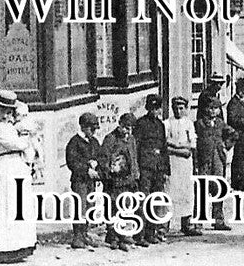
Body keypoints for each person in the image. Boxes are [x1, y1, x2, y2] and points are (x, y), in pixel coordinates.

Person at [0, 89, 35, 264]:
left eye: (10, 112)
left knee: (19, 207)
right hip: (6, 167)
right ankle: (4, 249)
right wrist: (24, 138)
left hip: (18, 166)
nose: (7, 115)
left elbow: (27, 144)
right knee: (5, 207)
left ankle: (21, 245)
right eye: (3, 111)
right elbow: (19, 143)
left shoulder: (10, 126)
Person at [102, 113, 142, 250]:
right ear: (119, 125)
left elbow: (134, 157)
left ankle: (124, 234)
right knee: (113, 208)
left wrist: (136, 174)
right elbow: (104, 159)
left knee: (126, 207)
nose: (128, 131)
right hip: (114, 180)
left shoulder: (131, 139)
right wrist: (110, 172)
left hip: (128, 179)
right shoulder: (110, 138)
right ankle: (113, 236)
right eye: (125, 128)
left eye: (131, 128)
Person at [65, 112, 102, 251]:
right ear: (83, 127)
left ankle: (85, 232)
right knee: (79, 206)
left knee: (89, 206)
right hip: (79, 180)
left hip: (90, 181)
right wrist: (87, 169)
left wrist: (96, 163)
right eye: (91, 129)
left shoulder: (94, 142)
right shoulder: (74, 142)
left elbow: (100, 155)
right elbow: (72, 162)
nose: (93, 132)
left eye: (94, 129)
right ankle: (77, 236)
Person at [135, 94, 170, 244]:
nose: (155, 111)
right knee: (143, 199)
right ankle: (140, 234)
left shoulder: (160, 125)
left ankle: (151, 232)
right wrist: (136, 168)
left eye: (157, 109)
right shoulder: (141, 124)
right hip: (145, 167)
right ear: (147, 108)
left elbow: (163, 147)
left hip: (158, 167)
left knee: (155, 199)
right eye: (152, 108)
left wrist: (166, 169)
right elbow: (136, 146)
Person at [165, 97, 201, 236]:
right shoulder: (167, 123)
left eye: (181, 108)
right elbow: (165, 143)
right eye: (176, 108)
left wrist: (175, 145)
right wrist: (179, 148)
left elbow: (191, 146)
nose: (178, 111)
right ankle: (165, 225)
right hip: (172, 163)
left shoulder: (189, 124)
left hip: (185, 165)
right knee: (170, 191)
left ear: (186, 109)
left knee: (186, 192)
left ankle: (186, 224)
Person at [194, 100, 231, 230]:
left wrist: (225, 146)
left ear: (220, 110)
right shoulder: (199, 124)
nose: (212, 111)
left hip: (218, 159)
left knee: (218, 188)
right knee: (201, 188)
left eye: (216, 108)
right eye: (210, 108)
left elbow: (233, 134)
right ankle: (198, 219)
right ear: (205, 109)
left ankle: (218, 220)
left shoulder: (221, 124)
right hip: (204, 159)